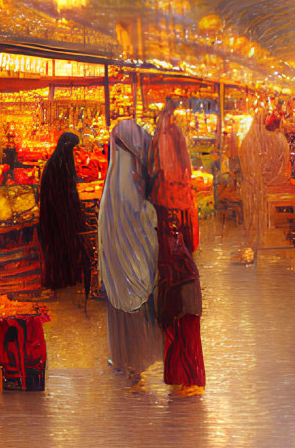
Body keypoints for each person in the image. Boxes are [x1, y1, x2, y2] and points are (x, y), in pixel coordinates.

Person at [97, 119, 162, 387]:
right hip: (135, 257)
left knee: (121, 308)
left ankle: (125, 357)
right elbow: (142, 216)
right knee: (138, 306)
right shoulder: (131, 178)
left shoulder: (114, 179)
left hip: (118, 256)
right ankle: (136, 361)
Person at [150, 98, 206, 394]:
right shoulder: (169, 138)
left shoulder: (168, 202)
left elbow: (168, 172)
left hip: (176, 265)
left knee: (180, 309)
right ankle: (184, 375)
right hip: (178, 260)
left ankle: (184, 375)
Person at [36, 130, 93, 294]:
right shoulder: (57, 165)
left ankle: (65, 278)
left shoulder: (58, 162)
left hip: (59, 213)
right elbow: (60, 192)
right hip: (57, 215)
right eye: (73, 149)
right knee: (59, 246)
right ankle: (62, 279)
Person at [239, 111, 292, 254]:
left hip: (253, 185)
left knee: (253, 216)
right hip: (256, 185)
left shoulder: (251, 141)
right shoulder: (263, 141)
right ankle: (257, 240)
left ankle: (255, 240)